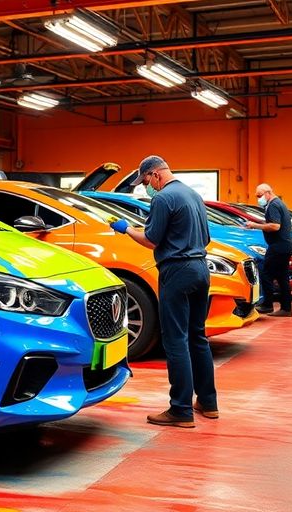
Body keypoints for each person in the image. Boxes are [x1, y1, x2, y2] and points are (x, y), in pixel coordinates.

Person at [108, 156, 217, 428]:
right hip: (201, 269)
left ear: (155, 174)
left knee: (175, 340)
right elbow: (206, 239)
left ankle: (180, 409)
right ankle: (208, 401)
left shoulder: (163, 198)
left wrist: (126, 229)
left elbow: (150, 239)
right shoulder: (193, 194)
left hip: (177, 272)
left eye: (146, 181)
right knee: (197, 336)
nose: (147, 186)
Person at [245, 184, 292, 317]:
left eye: (259, 196)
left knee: (266, 273)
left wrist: (255, 225)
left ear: (268, 193)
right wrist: (261, 222)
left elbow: (275, 226)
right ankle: (286, 308)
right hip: (286, 245)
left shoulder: (273, 205)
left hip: (278, 246)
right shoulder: (279, 203)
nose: (258, 199)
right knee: (283, 277)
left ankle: (267, 305)